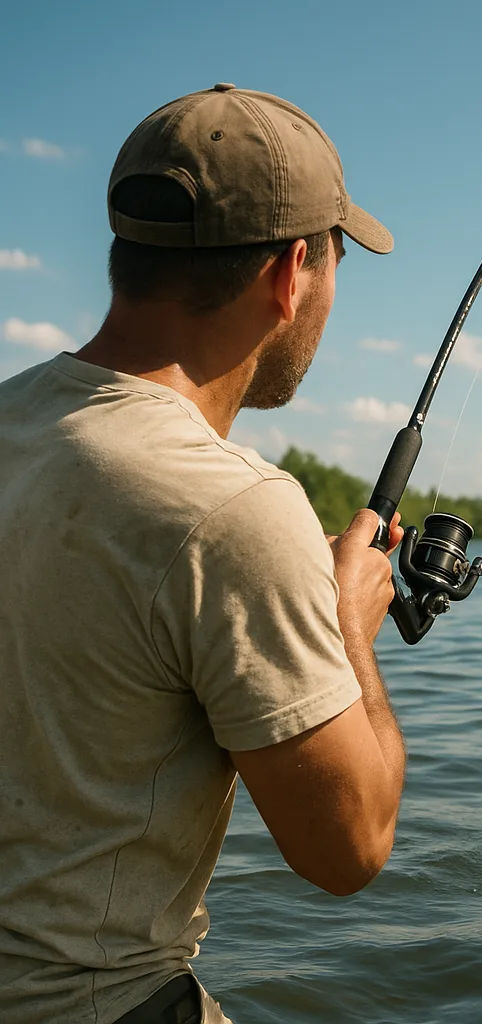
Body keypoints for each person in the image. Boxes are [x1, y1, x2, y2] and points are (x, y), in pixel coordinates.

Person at [0, 84, 407, 1023]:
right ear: (292, 273)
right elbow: (349, 848)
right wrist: (347, 625)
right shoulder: (235, 507)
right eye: (337, 262)